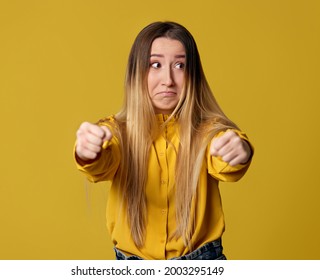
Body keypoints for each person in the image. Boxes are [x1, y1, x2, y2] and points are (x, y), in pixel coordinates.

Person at [74, 21, 253, 260]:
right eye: (155, 65)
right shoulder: (117, 132)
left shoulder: (207, 132)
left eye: (180, 65)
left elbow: (226, 158)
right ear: (136, 72)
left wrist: (240, 150)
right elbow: (101, 163)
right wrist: (88, 152)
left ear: (193, 75)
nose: (168, 79)